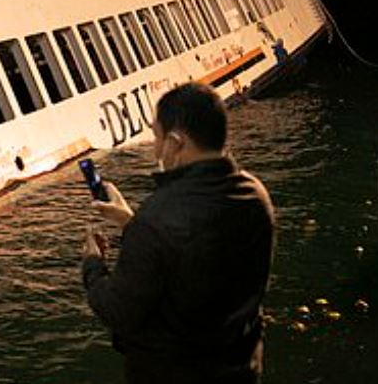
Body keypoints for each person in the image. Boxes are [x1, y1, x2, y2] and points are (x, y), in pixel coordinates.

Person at [82, 82, 275, 384]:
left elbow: (117, 310)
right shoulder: (256, 195)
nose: (156, 149)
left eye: (157, 137)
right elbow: (197, 256)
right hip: (240, 372)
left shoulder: (157, 218)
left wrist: (93, 265)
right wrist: (130, 223)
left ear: (175, 142)